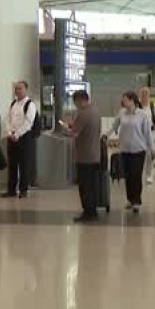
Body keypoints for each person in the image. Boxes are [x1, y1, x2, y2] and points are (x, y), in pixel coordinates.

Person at [63, 90, 103, 223]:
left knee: (85, 186)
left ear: (79, 100)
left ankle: (88, 212)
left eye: (75, 103)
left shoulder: (83, 113)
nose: (76, 106)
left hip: (84, 155)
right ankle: (92, 211)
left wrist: (67, 130)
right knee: (92, 185)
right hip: (95, 154)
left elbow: (74, 133)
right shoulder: (96, 111)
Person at [113, 91, 153, 212]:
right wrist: (109, 133)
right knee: (128, 176)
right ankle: (130, 199)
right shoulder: (122, 113)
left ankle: (136, 201)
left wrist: (152, 148)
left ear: (132, 100)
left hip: (139, 150)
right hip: (125, 149)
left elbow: (147, 133)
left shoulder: (143, 115)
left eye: (125, 99)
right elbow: (115, 125)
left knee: (136, 175)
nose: (123, 101)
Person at [3, 81, 37, 199]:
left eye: (20, 88)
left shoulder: (30, 104)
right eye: (16, 89)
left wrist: (17, 134)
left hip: (24, 138)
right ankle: (11, 190)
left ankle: (23, 190)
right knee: (12, 165)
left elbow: (28, 122)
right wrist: (9, 133)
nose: (17, 91)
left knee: (24, 165)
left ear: (26, 89)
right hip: (11, 138)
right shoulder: (13, 103)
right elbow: (8, 119)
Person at [138, 85, 155, 184]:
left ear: (149, 95)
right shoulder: (137, 106)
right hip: (138, 134)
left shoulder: (152, 105)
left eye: (146, 93)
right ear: (140, 95)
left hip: (149, 133)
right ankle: (139, 173)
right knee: (139, 155)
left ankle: (149, 175)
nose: (145, 95)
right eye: (143, 93)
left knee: (150, 155)